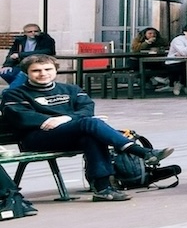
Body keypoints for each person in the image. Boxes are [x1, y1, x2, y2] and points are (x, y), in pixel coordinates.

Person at [0, 53, 171, 203]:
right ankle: (142, 152)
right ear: (26, 73)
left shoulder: (71, 89)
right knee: (91, 124)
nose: (43, 73)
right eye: (36, 71)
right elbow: (22, 117)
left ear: (55, 70)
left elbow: (87, 109)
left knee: (92, 136)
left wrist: (64, 119)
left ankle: (103, 189)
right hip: (37, 138)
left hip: (70, 135)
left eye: (48, 69)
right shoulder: (15, 93)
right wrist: (66, 120)